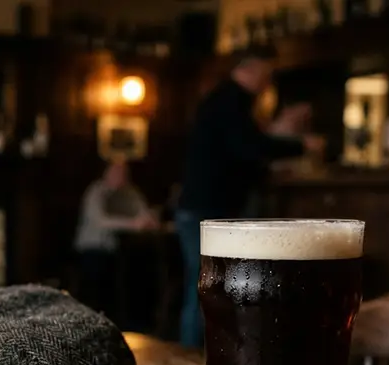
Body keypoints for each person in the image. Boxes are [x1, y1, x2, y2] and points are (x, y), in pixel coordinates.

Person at [174, 45, 324, 347]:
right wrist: (301, 146)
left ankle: (198, 355)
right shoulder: (230, 101)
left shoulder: (227, 101)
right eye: (267, 74)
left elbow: (237, 155)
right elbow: (248, 148)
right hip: (207, 209)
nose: (268, 82)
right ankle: (190, 356)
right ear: (249, 69)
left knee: (207, 284)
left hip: (205, 206)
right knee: (207, 285)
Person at [72, 160, 157, 316]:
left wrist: (149, 219)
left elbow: (144, 212)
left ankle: (132, 319)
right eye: (116, 172)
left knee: (141, 268)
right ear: (106, 173)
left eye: (124, 173)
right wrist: (133, 224)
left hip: (119, 250)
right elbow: (101, 221)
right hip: (93, 249)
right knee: (103, 271)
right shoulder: (96, 191)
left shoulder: (129, 192)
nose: (120, 176)